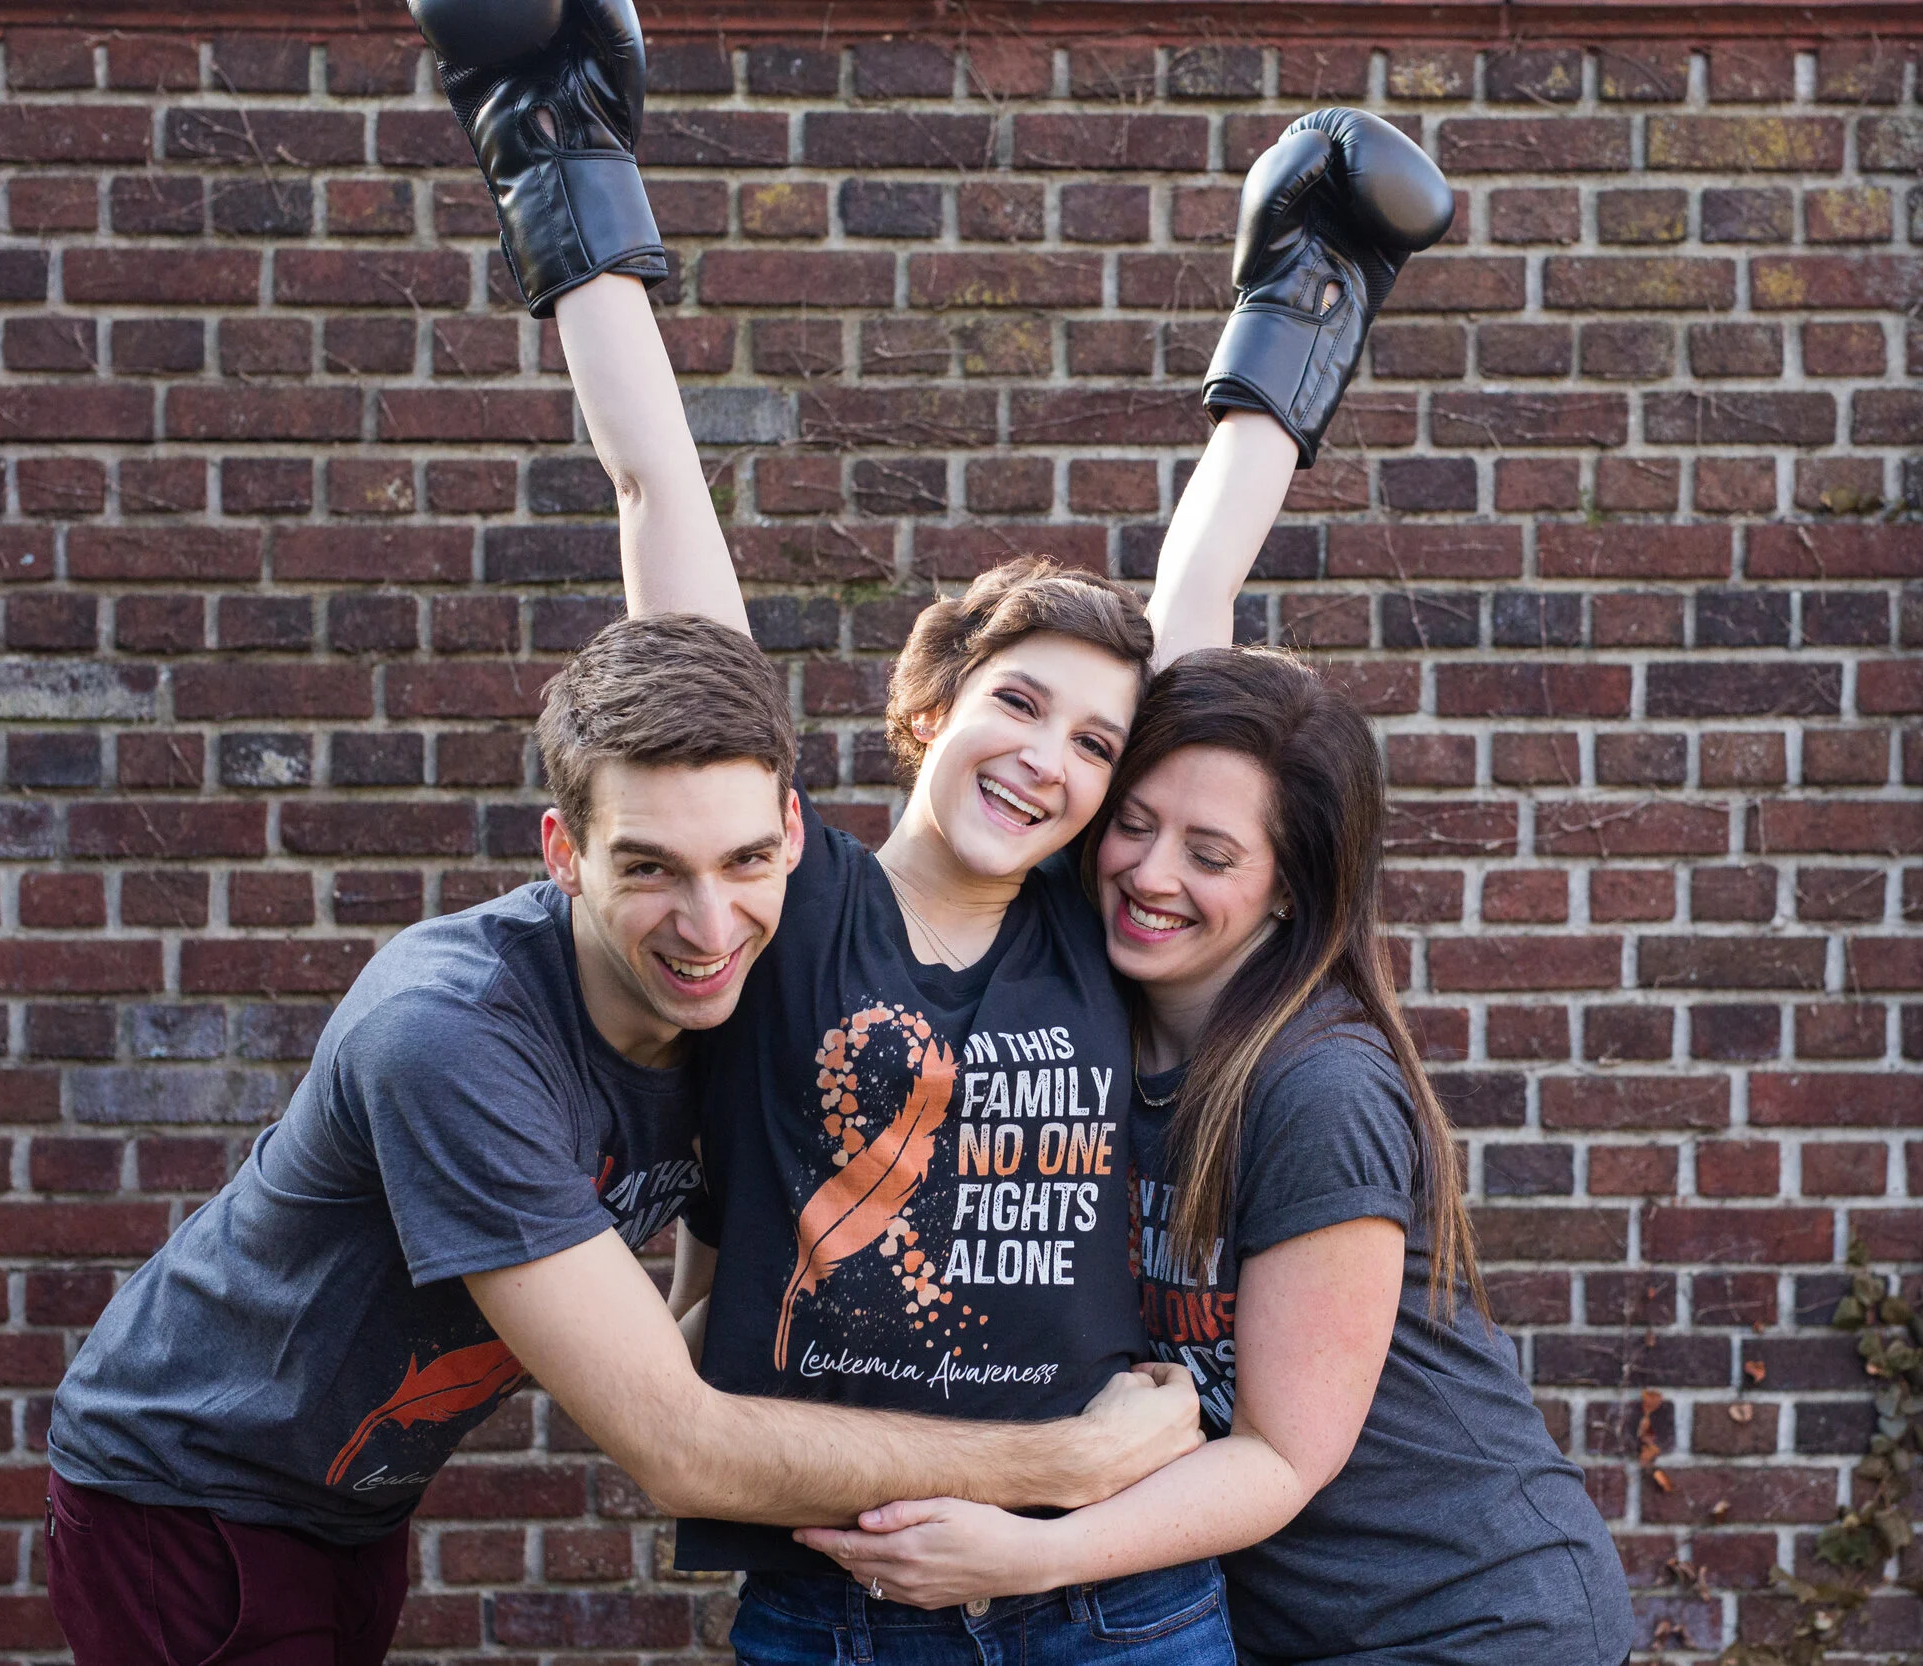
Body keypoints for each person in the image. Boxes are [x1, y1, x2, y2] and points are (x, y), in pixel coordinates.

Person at [38, 6, 1210, 1659]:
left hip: (348, 1496)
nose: (711, 917)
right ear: (563, 852)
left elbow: (1168, 711)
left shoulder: (770, 934)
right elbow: (677, 1445)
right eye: (650, 867)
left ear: (788, 834)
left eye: (743, 862)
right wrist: (1063, 1469)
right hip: (194, 1492)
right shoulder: (460, 1029)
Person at [473, 4, 1453, 1660]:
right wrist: (548, 148)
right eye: (1018, 703)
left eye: (1096, 742)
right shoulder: (790, 897)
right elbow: (660, 502)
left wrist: (1310, 286)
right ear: (929, 707)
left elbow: (1199, 588)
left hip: (1111, 1601)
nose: (1051, 758)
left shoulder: (1090, 922)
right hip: (843, 1608)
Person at [798, 650, 1635, 1666]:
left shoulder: (1319, 1087)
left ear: (1289, 890)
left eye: (1210, 854)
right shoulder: (1085, 1024)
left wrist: (1031, 1555)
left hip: (1471, 1621)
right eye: (1135, 824)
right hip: (1283, 1627)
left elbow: (1282, 1454)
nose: (1152, 875)